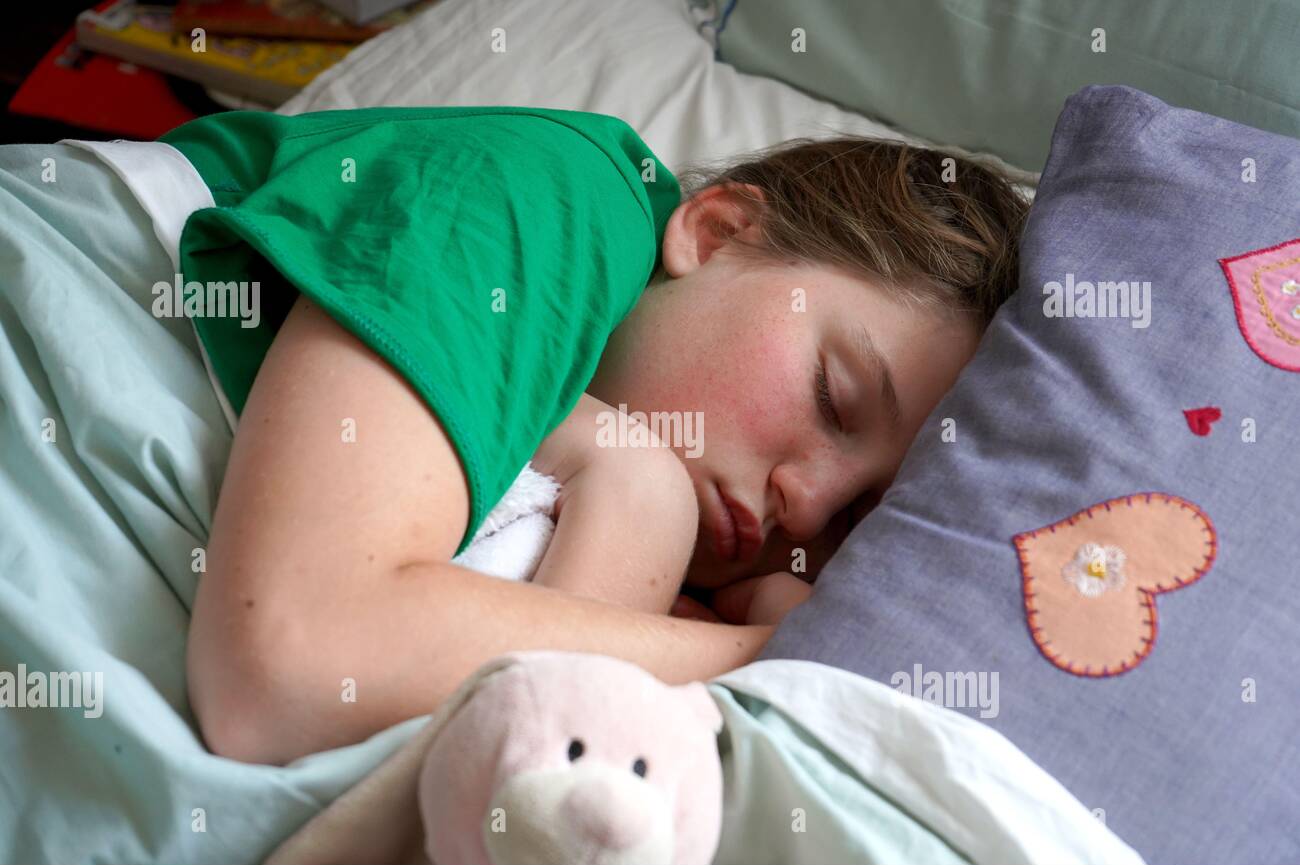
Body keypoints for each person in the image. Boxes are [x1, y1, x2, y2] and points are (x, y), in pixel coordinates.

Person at [155, 107, 1028, 764]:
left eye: (853, 519)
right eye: (833, 399)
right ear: (719, 232)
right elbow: (280, 671)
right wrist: (773, 655)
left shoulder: (626, 525)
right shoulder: (549, 197)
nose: (806, 510)